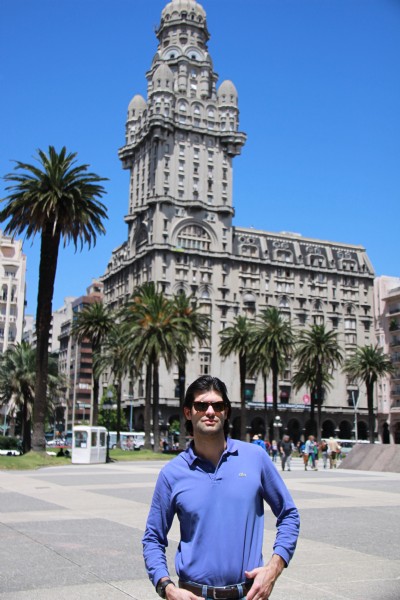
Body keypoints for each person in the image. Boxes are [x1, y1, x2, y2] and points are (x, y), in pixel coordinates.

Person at [143, 375, 300, 600]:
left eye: (217, 405)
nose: (210, 412)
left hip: (248, 594)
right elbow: (153, 538)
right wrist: (166, 587)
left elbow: (289, 515)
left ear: (226, 412)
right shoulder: (172, 474)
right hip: (193, 595)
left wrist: (274, 569)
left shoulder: (255, 458)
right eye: (201, 405)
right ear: (188, 412)